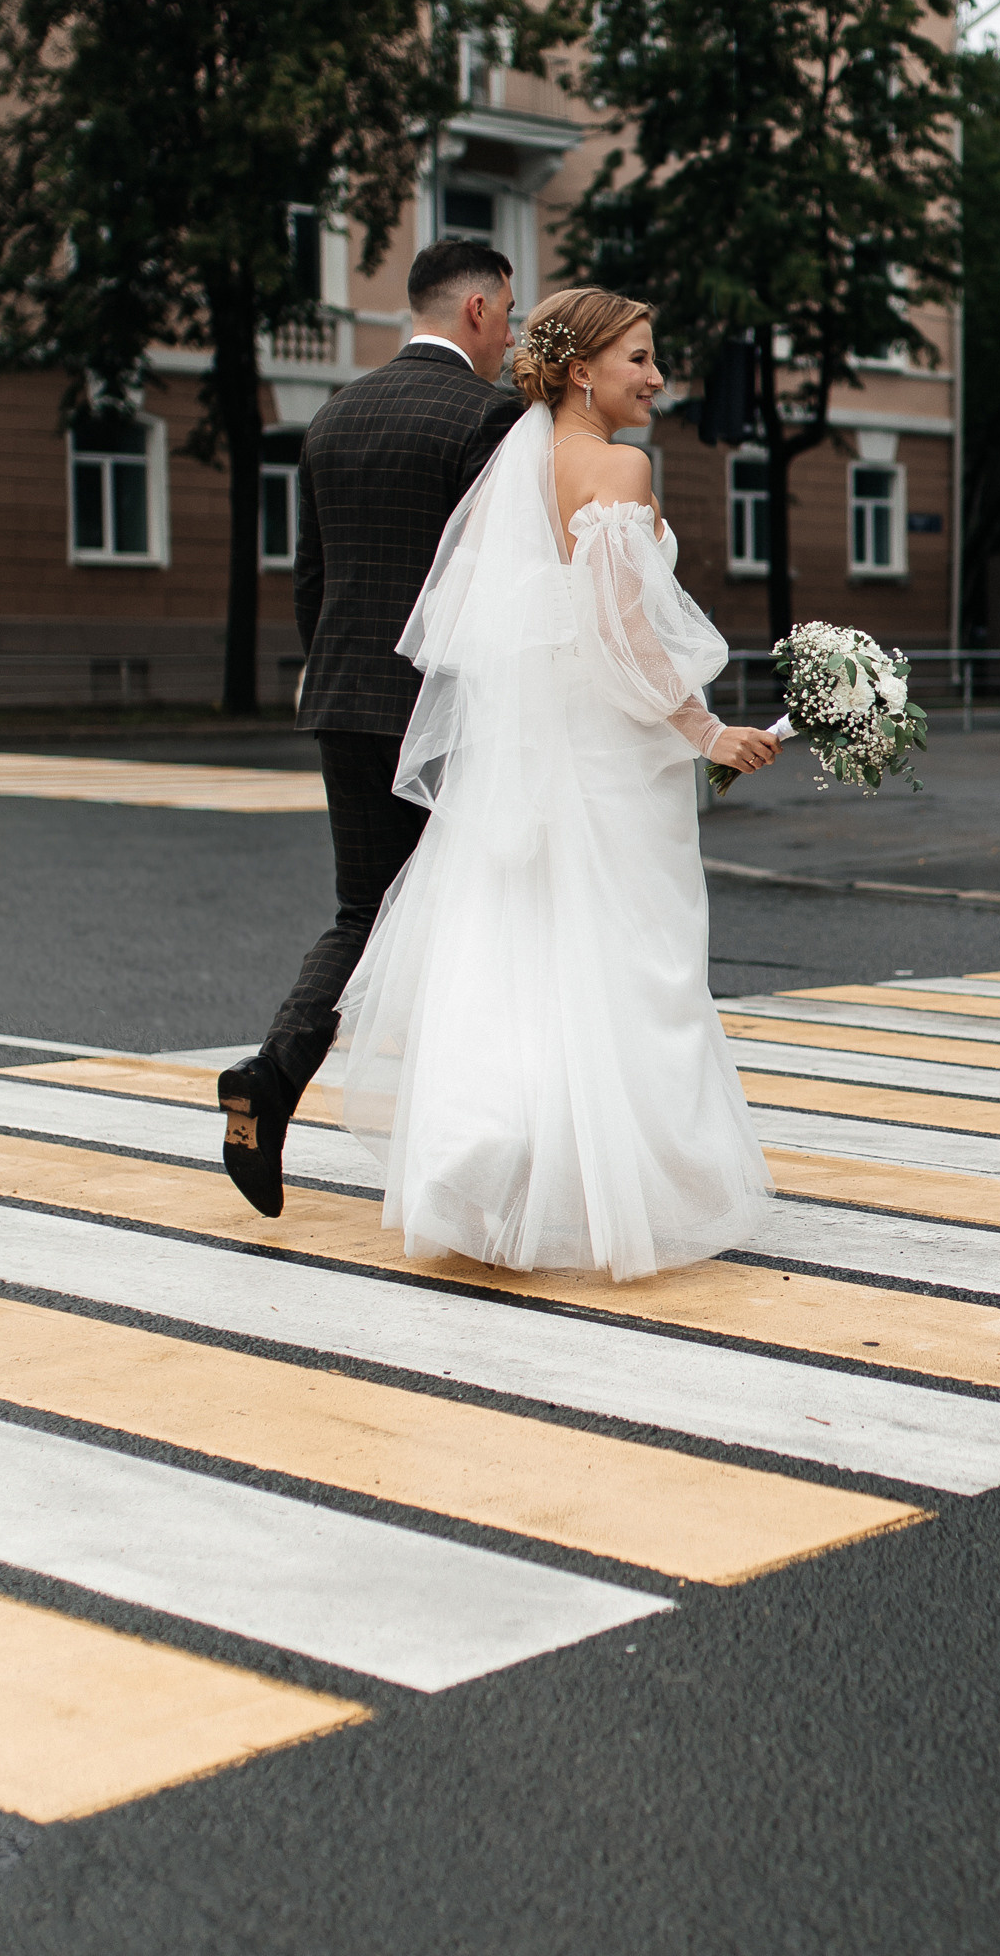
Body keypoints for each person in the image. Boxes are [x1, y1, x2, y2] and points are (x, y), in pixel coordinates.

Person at [326, 285, 783, 1281]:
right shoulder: (618, 465)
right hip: (607, 758)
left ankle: (485, 1173)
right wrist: (707, 731)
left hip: (526, 756)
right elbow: (618, 631)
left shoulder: (519, 462)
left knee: (519, 953)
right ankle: (607, 1190)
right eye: (639, 357)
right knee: (619, 960)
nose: (656, 377)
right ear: (582, 368)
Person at [219, 236, 525, 1217]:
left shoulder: (333, 413)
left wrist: (345, 672)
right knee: (481, 919)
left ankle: (270, 1076)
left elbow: (311, 582)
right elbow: (495, 582)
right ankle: (469, 1144)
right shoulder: (489, 417)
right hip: (451, 713)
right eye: (509, 316)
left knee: (367, 911)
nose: (512, 337)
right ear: (475, 310)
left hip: (345, 699)